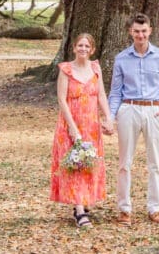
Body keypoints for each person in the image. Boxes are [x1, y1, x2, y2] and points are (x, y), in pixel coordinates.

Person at [108, 13, 159, 225]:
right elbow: (115, 92)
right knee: (124, 163)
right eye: (136, 31)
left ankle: (154, 208)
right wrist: (111, 117)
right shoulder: (121, 59)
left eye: (144, 31)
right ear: (131, 32)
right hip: (128, 109)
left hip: (153, 111)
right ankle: (124, 209)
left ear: (150, 31)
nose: (140, 35)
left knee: (155, 162)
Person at [50, 33, 115, 228]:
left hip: (91, 125)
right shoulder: (66, 70)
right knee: (75, 164)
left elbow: (101, 94)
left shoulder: (95, 68)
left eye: (87, 46)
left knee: (88, 163)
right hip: (71, 124)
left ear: (92, 49)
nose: (83, 49)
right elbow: (62, 99)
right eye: (80, 46)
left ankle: (84, 201)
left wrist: (108, 118)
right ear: (74, 48)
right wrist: (72, 127)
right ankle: (79, 210)